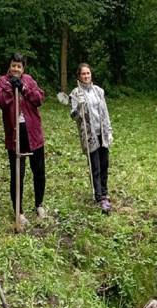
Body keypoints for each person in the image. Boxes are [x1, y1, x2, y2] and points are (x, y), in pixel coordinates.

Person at [0, 53, 46, 224]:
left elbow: (39, 99)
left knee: (38, 171)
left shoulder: (29, 80)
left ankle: (39, 204)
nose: (16, 69)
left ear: (23, 68)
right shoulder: (2, 82)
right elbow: (0, 101)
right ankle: (19, 211)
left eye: (19, 66)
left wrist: (23, 88)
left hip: (33, 133)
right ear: (10, 66)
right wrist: (11, 89)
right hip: (15, 135)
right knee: (17, 172)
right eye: (13, 65)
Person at [69, 63, 114, 212]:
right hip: (89, 135)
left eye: (88, 73)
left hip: (102, 132)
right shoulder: (75, 94)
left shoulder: (98, 91)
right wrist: (79, 107)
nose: (86, 76)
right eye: (83, 74)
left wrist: (109, 130)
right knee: (95, 166)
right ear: (79, 76)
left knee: (104, 163)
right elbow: (73, 117)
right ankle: (99, 196)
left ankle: (105, 191)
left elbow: (105, 112)